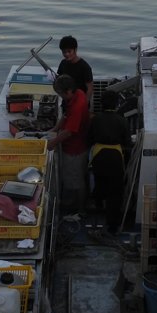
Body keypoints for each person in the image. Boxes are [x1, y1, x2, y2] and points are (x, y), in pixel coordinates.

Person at [87, 92, 132, 233]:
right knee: (115, 191)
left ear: (102, 104)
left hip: (99, 156)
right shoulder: (122, 120)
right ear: (117, 104)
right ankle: (112, 225)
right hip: (116, 158)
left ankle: (97, 212)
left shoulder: (96, 119)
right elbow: (128, 143)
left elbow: (89, 139)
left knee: (100, 183)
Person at [47, 74, 90, 214]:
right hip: (77, 145)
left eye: (60, 94)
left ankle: (80, 209)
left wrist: (51, 143)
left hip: (75, 150)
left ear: (69, 91)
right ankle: (73, 203)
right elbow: (66, 116)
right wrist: (54, 129)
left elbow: (69, 132)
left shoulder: (78, 106)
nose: (60, 96)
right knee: (75, 178)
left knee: (76, 181)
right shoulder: (79, 93)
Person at [56, 35, 93, 106]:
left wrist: (85, 103)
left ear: (75, 50)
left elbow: (90, 88)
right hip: (67, 101)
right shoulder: (63, 63)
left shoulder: (85, 67)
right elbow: (59, 80)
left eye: (69, 51)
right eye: (64, 52)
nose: (66, 54)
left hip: (80, 102)